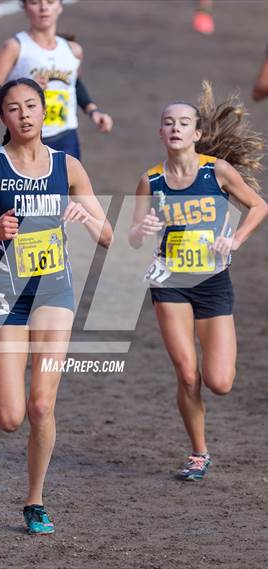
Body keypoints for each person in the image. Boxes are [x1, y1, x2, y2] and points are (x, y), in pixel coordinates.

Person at [0, 78, 113, 533]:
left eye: (32, 106)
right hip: (5, 295)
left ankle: (35, 501)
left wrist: (87, 219)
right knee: (9, 417)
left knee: (41, 406)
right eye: (14, 108)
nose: (24, 115)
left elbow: (108, 236)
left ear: (45, 113)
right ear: (3, 118)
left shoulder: (69, 166)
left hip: (53, 292)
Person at [128, 81, 267, 481]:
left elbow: (259, 206)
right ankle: (198, 453)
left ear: (197, 134)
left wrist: (235, 239)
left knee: (220, 382)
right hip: (170, 282)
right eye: (168, 123)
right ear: (160, 132)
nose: (175, 128)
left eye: (184, 122)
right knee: (188, 373)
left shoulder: (216, 171)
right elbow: (134, 238)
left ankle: (205, 409)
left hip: (212, 282)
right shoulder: (149, 181)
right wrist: (142, 230)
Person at [0, 0, 113, 159]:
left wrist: (93, 111)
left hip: (67, 140)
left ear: (60, 6)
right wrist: (25, 91)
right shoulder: (15, 48)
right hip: (25, 143)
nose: (43, 8)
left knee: (70, 184)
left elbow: (74, 84)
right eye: (35, 2)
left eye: (50, 1)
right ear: (25, 7)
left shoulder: (72, 50)